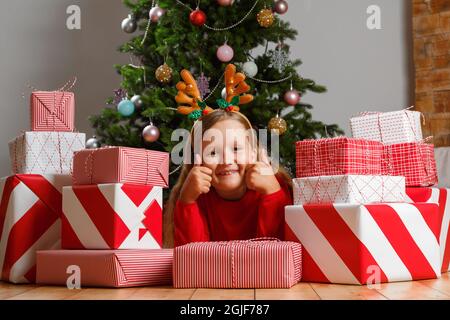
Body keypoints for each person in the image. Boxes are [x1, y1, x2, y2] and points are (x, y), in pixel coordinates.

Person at [164, 109, 293, 247]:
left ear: (253, 154)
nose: (226, 160)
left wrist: (273, 193)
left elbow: (279, 253)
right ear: (199, 161)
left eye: (236, 149)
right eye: (212, 152)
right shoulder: (197, 197)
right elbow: (192, 258)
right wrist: (187, 201)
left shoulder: (274, 187)